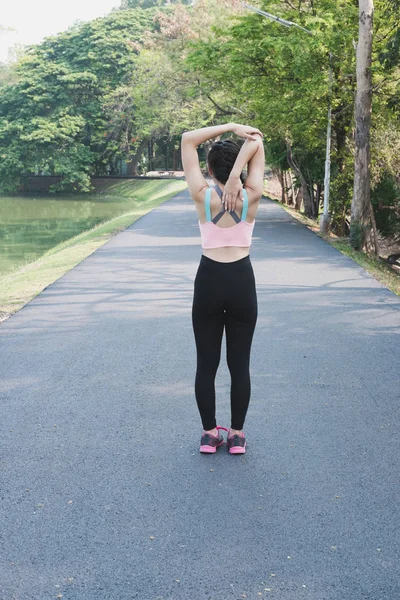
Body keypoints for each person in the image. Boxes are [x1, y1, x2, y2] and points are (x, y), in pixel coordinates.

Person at [181, 122, 265, 454]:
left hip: (209, 281)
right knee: (239, 364)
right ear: (236, 168)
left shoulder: (202, 196)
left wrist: (229, 126)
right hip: (242, 281)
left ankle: (209, 434)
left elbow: (187, 139)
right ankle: (237, 435)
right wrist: (236, 178)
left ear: (210, 169)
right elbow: (257, 140)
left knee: (206, 363)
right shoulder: (252, 195)